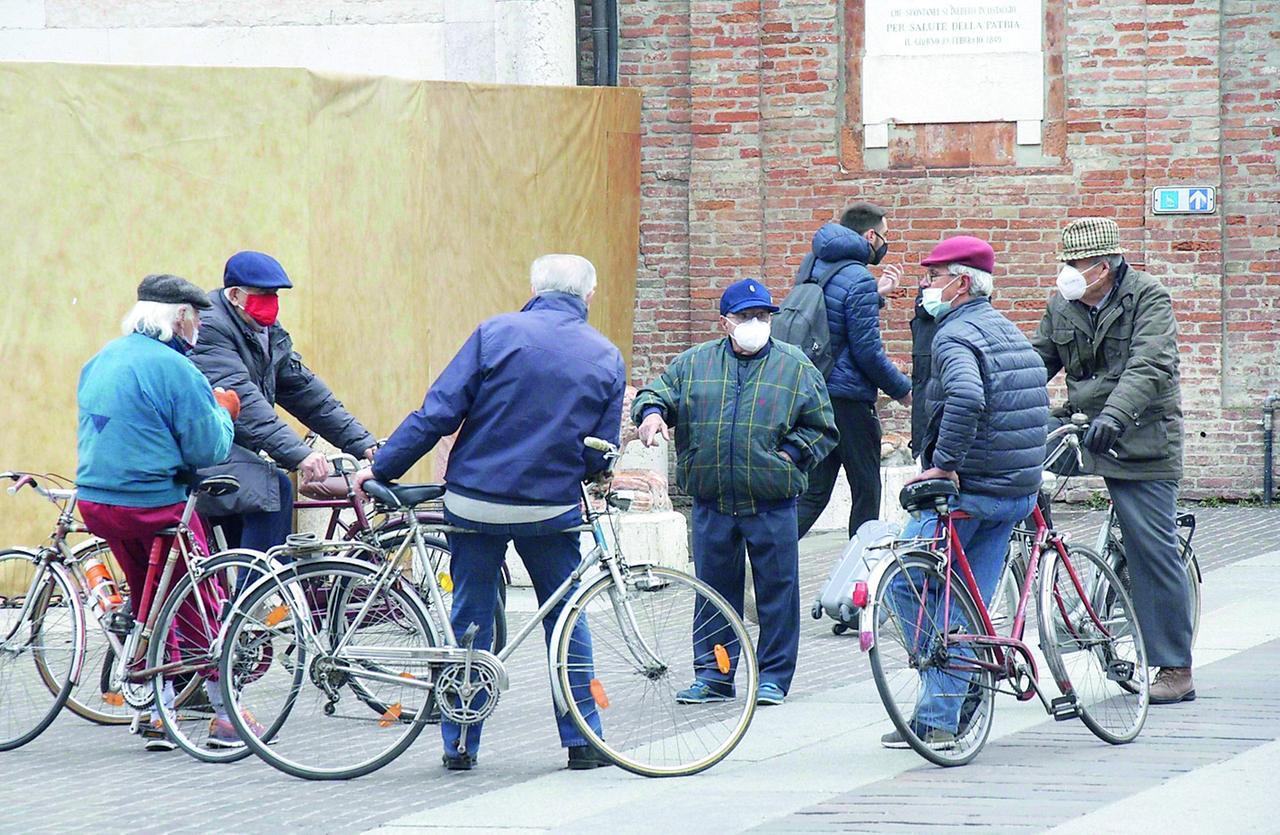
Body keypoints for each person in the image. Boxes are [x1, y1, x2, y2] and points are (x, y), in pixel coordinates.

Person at [354, 254, 625, 772]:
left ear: (533, 288)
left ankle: (460, 743)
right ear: (588, 297)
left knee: (471, 616)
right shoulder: (606, 355)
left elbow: (438, 412)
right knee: (567, 615)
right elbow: (599, 450)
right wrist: (582, 471)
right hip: (550, 508)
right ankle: (584, 738)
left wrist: (384, 471)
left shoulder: (495, 333)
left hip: (474, 500)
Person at [634, 279, 838, 707]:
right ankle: (715, 675)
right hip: (712, 502)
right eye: (746, 317)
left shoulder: (795, 366)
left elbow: (822, 428)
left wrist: (787, 457)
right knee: (714, 594)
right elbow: (657, 391)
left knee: (777, 593)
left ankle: (773, 678)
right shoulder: (694, 363)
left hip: (771, 500)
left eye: (762, 316)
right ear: (725, 322)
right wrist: (652, 413)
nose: (756, 324)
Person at [882, 237, 1049, 748]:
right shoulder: (1007, 329)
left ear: (961, 283)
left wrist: (942, 467)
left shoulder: (954, 335)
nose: (924, 287)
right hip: (1016, 491)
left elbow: (968, 396)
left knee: (905, 582)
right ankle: (941, 717)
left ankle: (961, 676)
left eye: (932, 278)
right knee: (968, 597)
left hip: (969, 494)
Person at [76, 274, 249, 751]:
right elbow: (207, 446)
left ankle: (156, 709)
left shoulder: (101, 358)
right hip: (155, 506)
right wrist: (226, 411)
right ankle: (225, 715)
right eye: (194, 321)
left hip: (97, 503)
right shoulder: (178, 370)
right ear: (179, 318)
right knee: (198, 599)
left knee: (150, 602)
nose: (196, 331)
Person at [1031, 217, 1194, 704]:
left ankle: (1174, 667)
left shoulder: (1148, 297)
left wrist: (1118, 415)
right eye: (1066, 262)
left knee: (1150, 546)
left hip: (1139, 434)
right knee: (1016, 482)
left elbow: (1150, 365)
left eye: (1077, 264)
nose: (1069, 273)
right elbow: (1036, 360)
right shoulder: (1063, 304)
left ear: (1105, 267)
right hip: (1083, 426)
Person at [188, 251, 376, 553]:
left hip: (237, 451)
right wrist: (300, 454)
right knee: (272, 486)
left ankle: (243, 593)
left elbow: (309, 395)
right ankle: (264, 593)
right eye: (262, 295)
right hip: (205, 449)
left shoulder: (266, 330)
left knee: (235, 548)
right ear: (235, 295)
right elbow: (244, 401)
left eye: (275, 295)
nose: (271, 303)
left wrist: (364, 443)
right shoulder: (210, 328)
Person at [795, 203, 912, 539]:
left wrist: (875, 295)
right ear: (871, 235)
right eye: (885, 236)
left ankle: (766, 559)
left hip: (815, 392)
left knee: (815, 491)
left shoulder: (813, 264)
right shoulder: (859, 276)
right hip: (848, 400)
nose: (884, 244)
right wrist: (901, 389)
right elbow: (867, 351)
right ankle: (859, 573)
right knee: (866, 487)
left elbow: (832, 317)